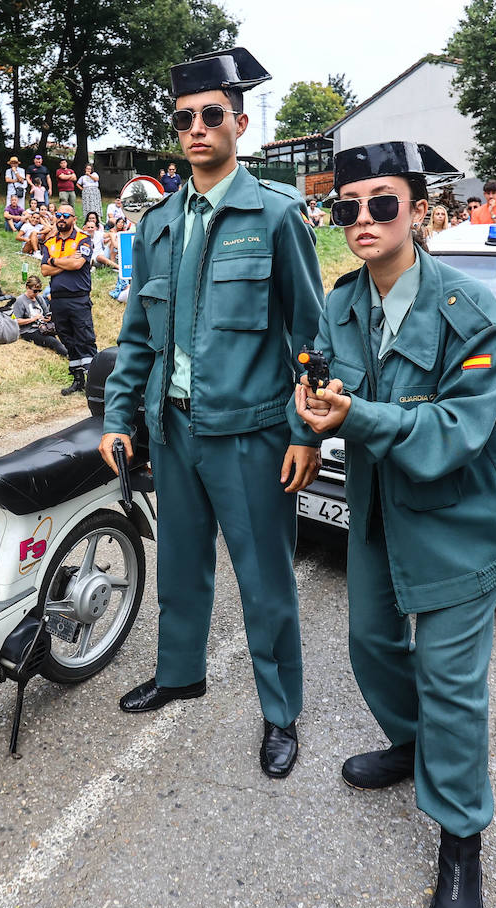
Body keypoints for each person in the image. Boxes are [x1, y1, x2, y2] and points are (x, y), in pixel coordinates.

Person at [294, 140, 496, 908]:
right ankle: (414, 745)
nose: (362, 219)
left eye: (382, 203)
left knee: (449, 679)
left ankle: (461, 845)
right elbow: (323, 374)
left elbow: (457, 430)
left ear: (419, 212)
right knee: (371, 644)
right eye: (346, 207)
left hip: (460, 517)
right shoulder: (342, 300)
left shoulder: (471, 310)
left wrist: (355, 416)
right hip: (382, 510)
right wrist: (306, 415)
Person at [99, 47, 323, 783]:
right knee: (179, 567)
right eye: (185, 118)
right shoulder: (158, 222)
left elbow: (311, 340)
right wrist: (120, 417)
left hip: (252, 435)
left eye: (211, 116)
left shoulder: (276, 215)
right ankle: (180, 673)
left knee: (264, 580)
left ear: (239, 124)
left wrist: (304, 431)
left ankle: (280, 710)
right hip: (174, 427)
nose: (197, 128)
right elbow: (138, 334)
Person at [38, 201, 96, 392]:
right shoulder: (49, 242)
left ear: (74, 219)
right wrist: (66, 261)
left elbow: (78, 265)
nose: (61, 219)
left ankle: (95, 382)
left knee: (85, 338)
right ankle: (78, 381)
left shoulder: (83, 239)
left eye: (66, 216)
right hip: (57, 300)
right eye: (59, 215)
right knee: (68, 340)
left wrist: (55, 261)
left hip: (78, 298)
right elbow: (45, 270)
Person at [11, 275, 67, 355]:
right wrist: (33, 319)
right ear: (27, 287)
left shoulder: (39, 298)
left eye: (39, 291)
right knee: (52, 341)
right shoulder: (20, 300)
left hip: (43, 327)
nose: (37, 293)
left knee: (64, 332)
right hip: (29, 330)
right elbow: (16, 321)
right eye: (35, 291)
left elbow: (46, 314)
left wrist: (47, 318)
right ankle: (68, 356)